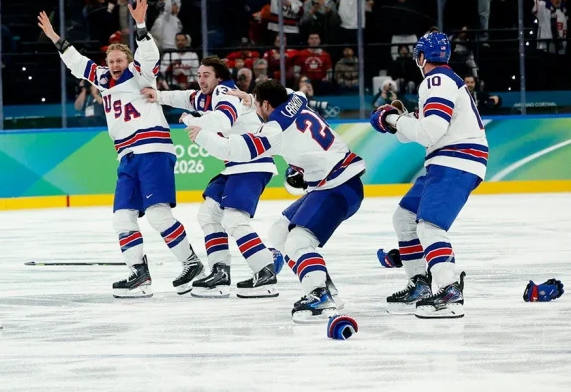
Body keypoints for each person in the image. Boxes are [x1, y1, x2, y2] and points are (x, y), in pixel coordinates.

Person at [37, 0, 204, 298]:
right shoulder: (102, 78)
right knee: (121, 217)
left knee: (157, 215)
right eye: (111, 61)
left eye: (119, 61)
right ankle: (138, 274)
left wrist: (140, 25)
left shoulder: (141, 74)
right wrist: (53, 36)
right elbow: (76, 63)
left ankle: (191, 262)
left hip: (152, 148)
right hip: (127, 156)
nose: (114, 65)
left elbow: (149, 53)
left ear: (128, 62)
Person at [188, 81, 365, 322]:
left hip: (336, 186)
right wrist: (251, 100)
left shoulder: (274, 130)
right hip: (336, 181)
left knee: (297, 241)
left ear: (267, 104)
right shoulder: (296, 98)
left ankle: (320, 296)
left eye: (258, 103)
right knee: (279, 232)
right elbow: (293, 93)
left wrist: (203, 136)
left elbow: (235, 150)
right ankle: (324, 285)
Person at [369, 31, 488, 319]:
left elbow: (430, 132)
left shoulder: (436, 80)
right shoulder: (445, 81)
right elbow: (426, 129)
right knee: (405, 218)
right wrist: (400, 121)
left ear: (422, 57)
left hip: (456, 160)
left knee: (429, 227)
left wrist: (390, 119)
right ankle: (420, 284)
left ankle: (449, 290)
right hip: (449, 160)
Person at [142, 57, 280, 299]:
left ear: (219, 78)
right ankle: (220, 272)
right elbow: (184, 97)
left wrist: (189, 119)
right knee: (209, 213)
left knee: (234, 219)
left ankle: (265, 272)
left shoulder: (226, 93)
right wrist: (159, 96)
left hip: (251, 163)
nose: (200, 79)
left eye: (206, 75)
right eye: (199, 74)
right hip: (236, 166)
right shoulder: (206, 96)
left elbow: (221, 120)